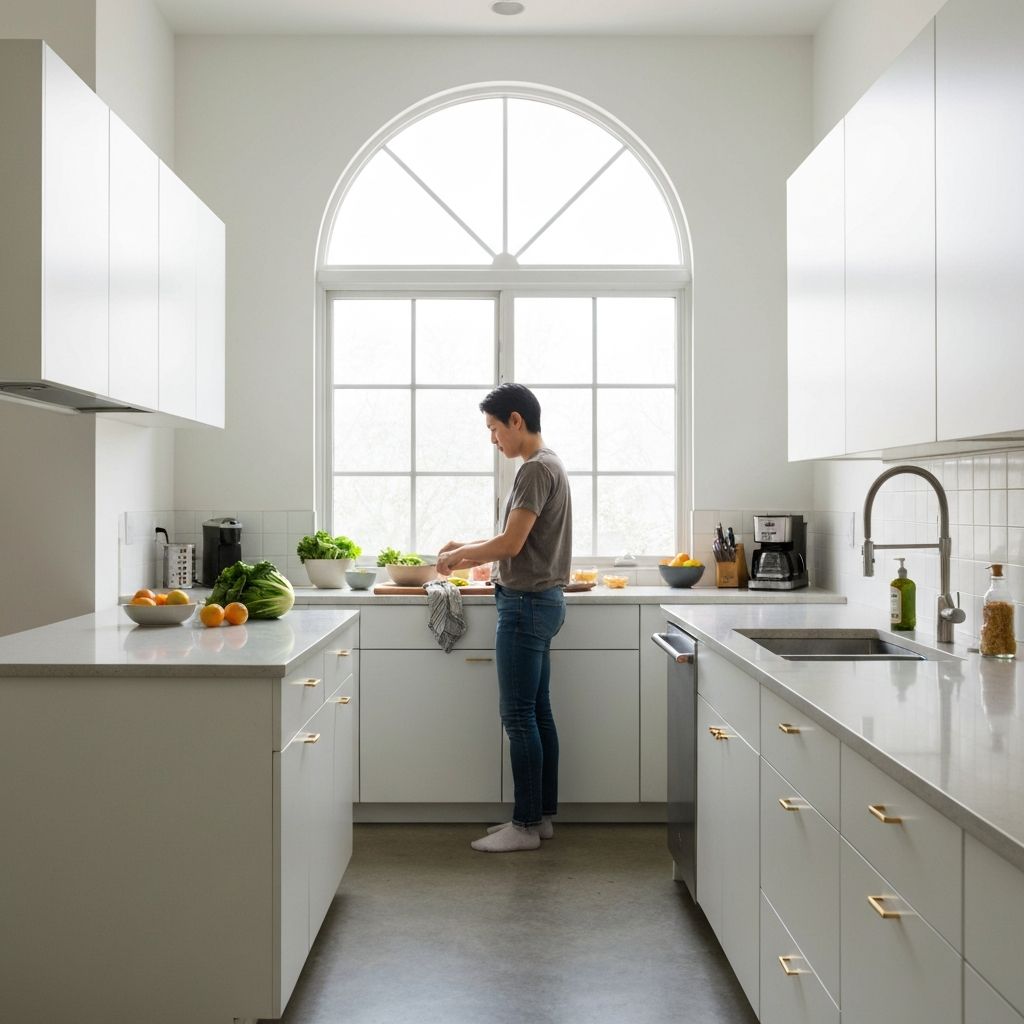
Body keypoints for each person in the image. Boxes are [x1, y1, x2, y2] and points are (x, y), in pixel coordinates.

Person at [436, 383, 572, 853]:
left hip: (525, 605)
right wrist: (467, 546)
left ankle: (525, 826)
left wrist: (459, 557)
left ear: (516, 421)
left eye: (494, 429)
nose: (492, 439)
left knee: (518, 716)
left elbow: (511, 546)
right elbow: (518, 537)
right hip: (544, 602)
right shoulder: (550, 463)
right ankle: (542, 817)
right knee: (538, 712)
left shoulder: (534, 470)